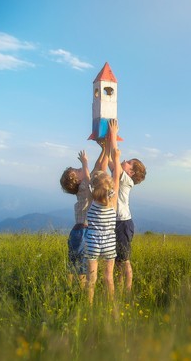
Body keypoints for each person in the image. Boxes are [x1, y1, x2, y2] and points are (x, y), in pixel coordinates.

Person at [85, 119, 122, 305]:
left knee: (91, 279)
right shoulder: (112, 200)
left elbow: (94, 173)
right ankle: (113, 307)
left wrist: (103, 147)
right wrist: (112, 137)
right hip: (109, 241)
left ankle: (89, 307)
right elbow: (115, 172)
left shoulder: (92, 198)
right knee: (109, 278)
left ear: (94, 186)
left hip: (92, 241)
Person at [110, 150, 146, 294]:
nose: (124, 160)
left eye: (129, 162)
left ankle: (128, 291)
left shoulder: (126, 180)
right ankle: (119, 289)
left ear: (131, 173)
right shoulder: (122, 176)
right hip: (118, 222)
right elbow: (111, 163)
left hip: (123, 224)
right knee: (118, 261)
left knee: (125, 260)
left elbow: (115, 162)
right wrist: (104, 147)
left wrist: (112, 137)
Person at [60, 150, 91, 287]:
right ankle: (82, 293)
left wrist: (103, 151)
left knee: (72, 263)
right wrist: (84, 162)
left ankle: (69, 288)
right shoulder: (84, 186)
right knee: (83, 267)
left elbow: (90, 173)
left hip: (75, 231)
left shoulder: (80, 188)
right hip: (84, 231)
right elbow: (89, 179)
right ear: (78, 180)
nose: (81, 169)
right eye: (78, 170)